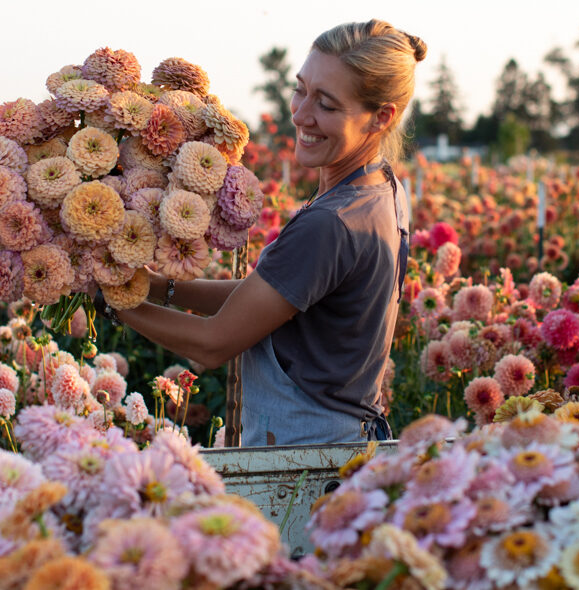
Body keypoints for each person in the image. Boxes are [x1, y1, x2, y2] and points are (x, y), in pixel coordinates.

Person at [96, 19, 427, 446]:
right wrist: (154, 287)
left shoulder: (331, 224)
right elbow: (270, 293)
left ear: (380, 117)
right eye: (300, 89)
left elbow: (212, 345)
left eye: (326, 104)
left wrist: (109, 300)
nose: (301, 114)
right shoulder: (381, 189)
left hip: (304, 458)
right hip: (344, 442)